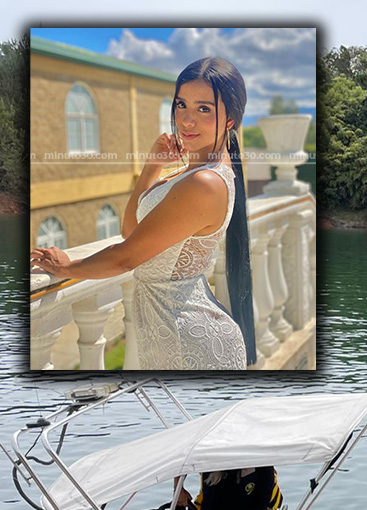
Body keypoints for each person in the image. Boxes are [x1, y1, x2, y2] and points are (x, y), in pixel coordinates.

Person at [31, 57, 255, 370]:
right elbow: (130, 230)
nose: (186, 120)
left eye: (204, 108)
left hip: (193, 342)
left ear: (230, 119)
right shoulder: (192, 174)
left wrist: (68, 267)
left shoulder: (205, 182)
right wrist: (153, 165)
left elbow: (126, 256)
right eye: (181, 105)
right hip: (168, 333)